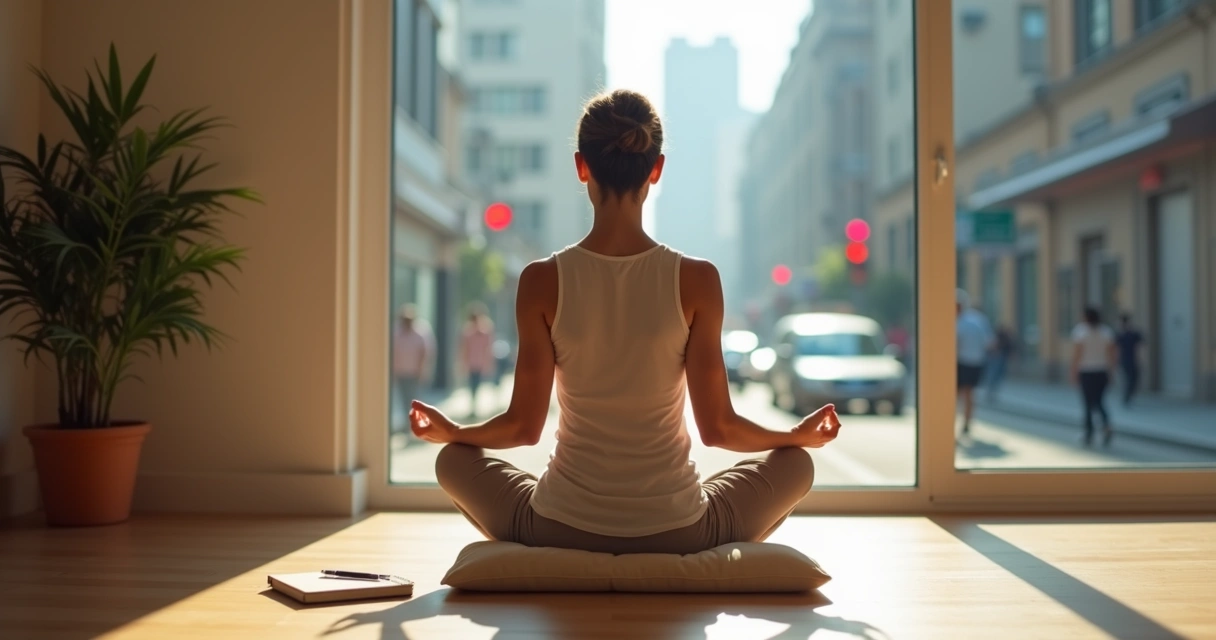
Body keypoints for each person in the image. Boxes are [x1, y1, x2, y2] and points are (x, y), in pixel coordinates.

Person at [408, 89, 840, 555]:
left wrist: (453, 432)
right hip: (679, 529)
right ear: (656, 170)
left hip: (557, 525)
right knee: (798, 466)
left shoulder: (541, 280)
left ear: (581, 166)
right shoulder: (697, 279)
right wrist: (793, 437)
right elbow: (718, 429)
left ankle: (561, 552)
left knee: (453, 461)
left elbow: (522, 428)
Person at [1072, 306, 1117, 446]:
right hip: (1102, 371)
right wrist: (1111, 372)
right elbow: (1112, 355)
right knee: (1099, 401)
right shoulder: (1106, 332)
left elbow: (1077, 355)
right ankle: (1106, 425)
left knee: (1087, 403)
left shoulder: (1080, 332)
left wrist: (1073, 372)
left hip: (1086, 372)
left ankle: (1089, 433)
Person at [391, 304, 434, 435]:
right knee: (405, 401)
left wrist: (423, 370)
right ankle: (408, 428)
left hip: (415, 373)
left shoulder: (421, 332)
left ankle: (419, 427)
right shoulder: (396, 332)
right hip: (401, 372)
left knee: (417, 402)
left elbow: (426, 352)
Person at [956, 289, 993, 436]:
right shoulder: (978, 319)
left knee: (963, 394)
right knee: (968, 394)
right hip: (975, 362)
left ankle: (964, 421)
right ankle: (965, 421)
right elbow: (990, 342)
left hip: (964, 362)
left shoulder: (962, 321)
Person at [459, 304, 496, 419]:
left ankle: (476, 407)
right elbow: (464, 349)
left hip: (481, 364)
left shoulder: (486, 331)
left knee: (478, 385)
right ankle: (473, 407)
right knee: (472, 386)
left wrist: (489, 363)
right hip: (471, 364)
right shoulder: (467, 332)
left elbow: (488, 349)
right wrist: (463, 364)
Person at [1115, 313, 1144, 406]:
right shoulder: (1120, 334)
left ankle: (1129, 396)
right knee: (1129, 379)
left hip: (1133, 359)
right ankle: (1127, 397)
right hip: (1124, 360)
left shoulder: (1133, 333)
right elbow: (1115, 348)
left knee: (1134, 379)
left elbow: (1141, 343)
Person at [985, 325, 1016, 402]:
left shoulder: (1007, 338)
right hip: (998, 358)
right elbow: (992, 346)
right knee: (994, 375)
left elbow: (1010, 348)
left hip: (1002, 358)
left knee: (998, 375)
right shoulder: (999, 337)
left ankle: (992, 392)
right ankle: (990, 392)